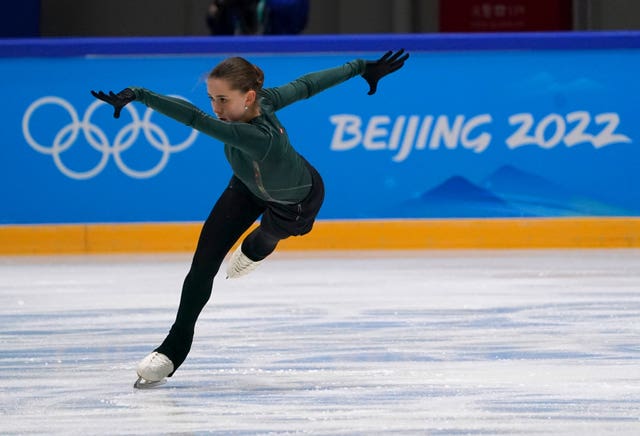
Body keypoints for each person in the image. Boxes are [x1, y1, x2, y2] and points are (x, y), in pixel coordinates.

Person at [91, 49, 410, 388]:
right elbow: (306, 85)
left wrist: (142, 95)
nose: (216, 108)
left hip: (297, 201)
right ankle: (173, 348)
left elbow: (198, 120)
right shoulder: (258, 106)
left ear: (249, 97)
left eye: (223, 99)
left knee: (260, 240)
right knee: (203, 263)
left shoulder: (256, 135)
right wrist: (360, 67)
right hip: (246, 186)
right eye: (212, 98)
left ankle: (258, 249)